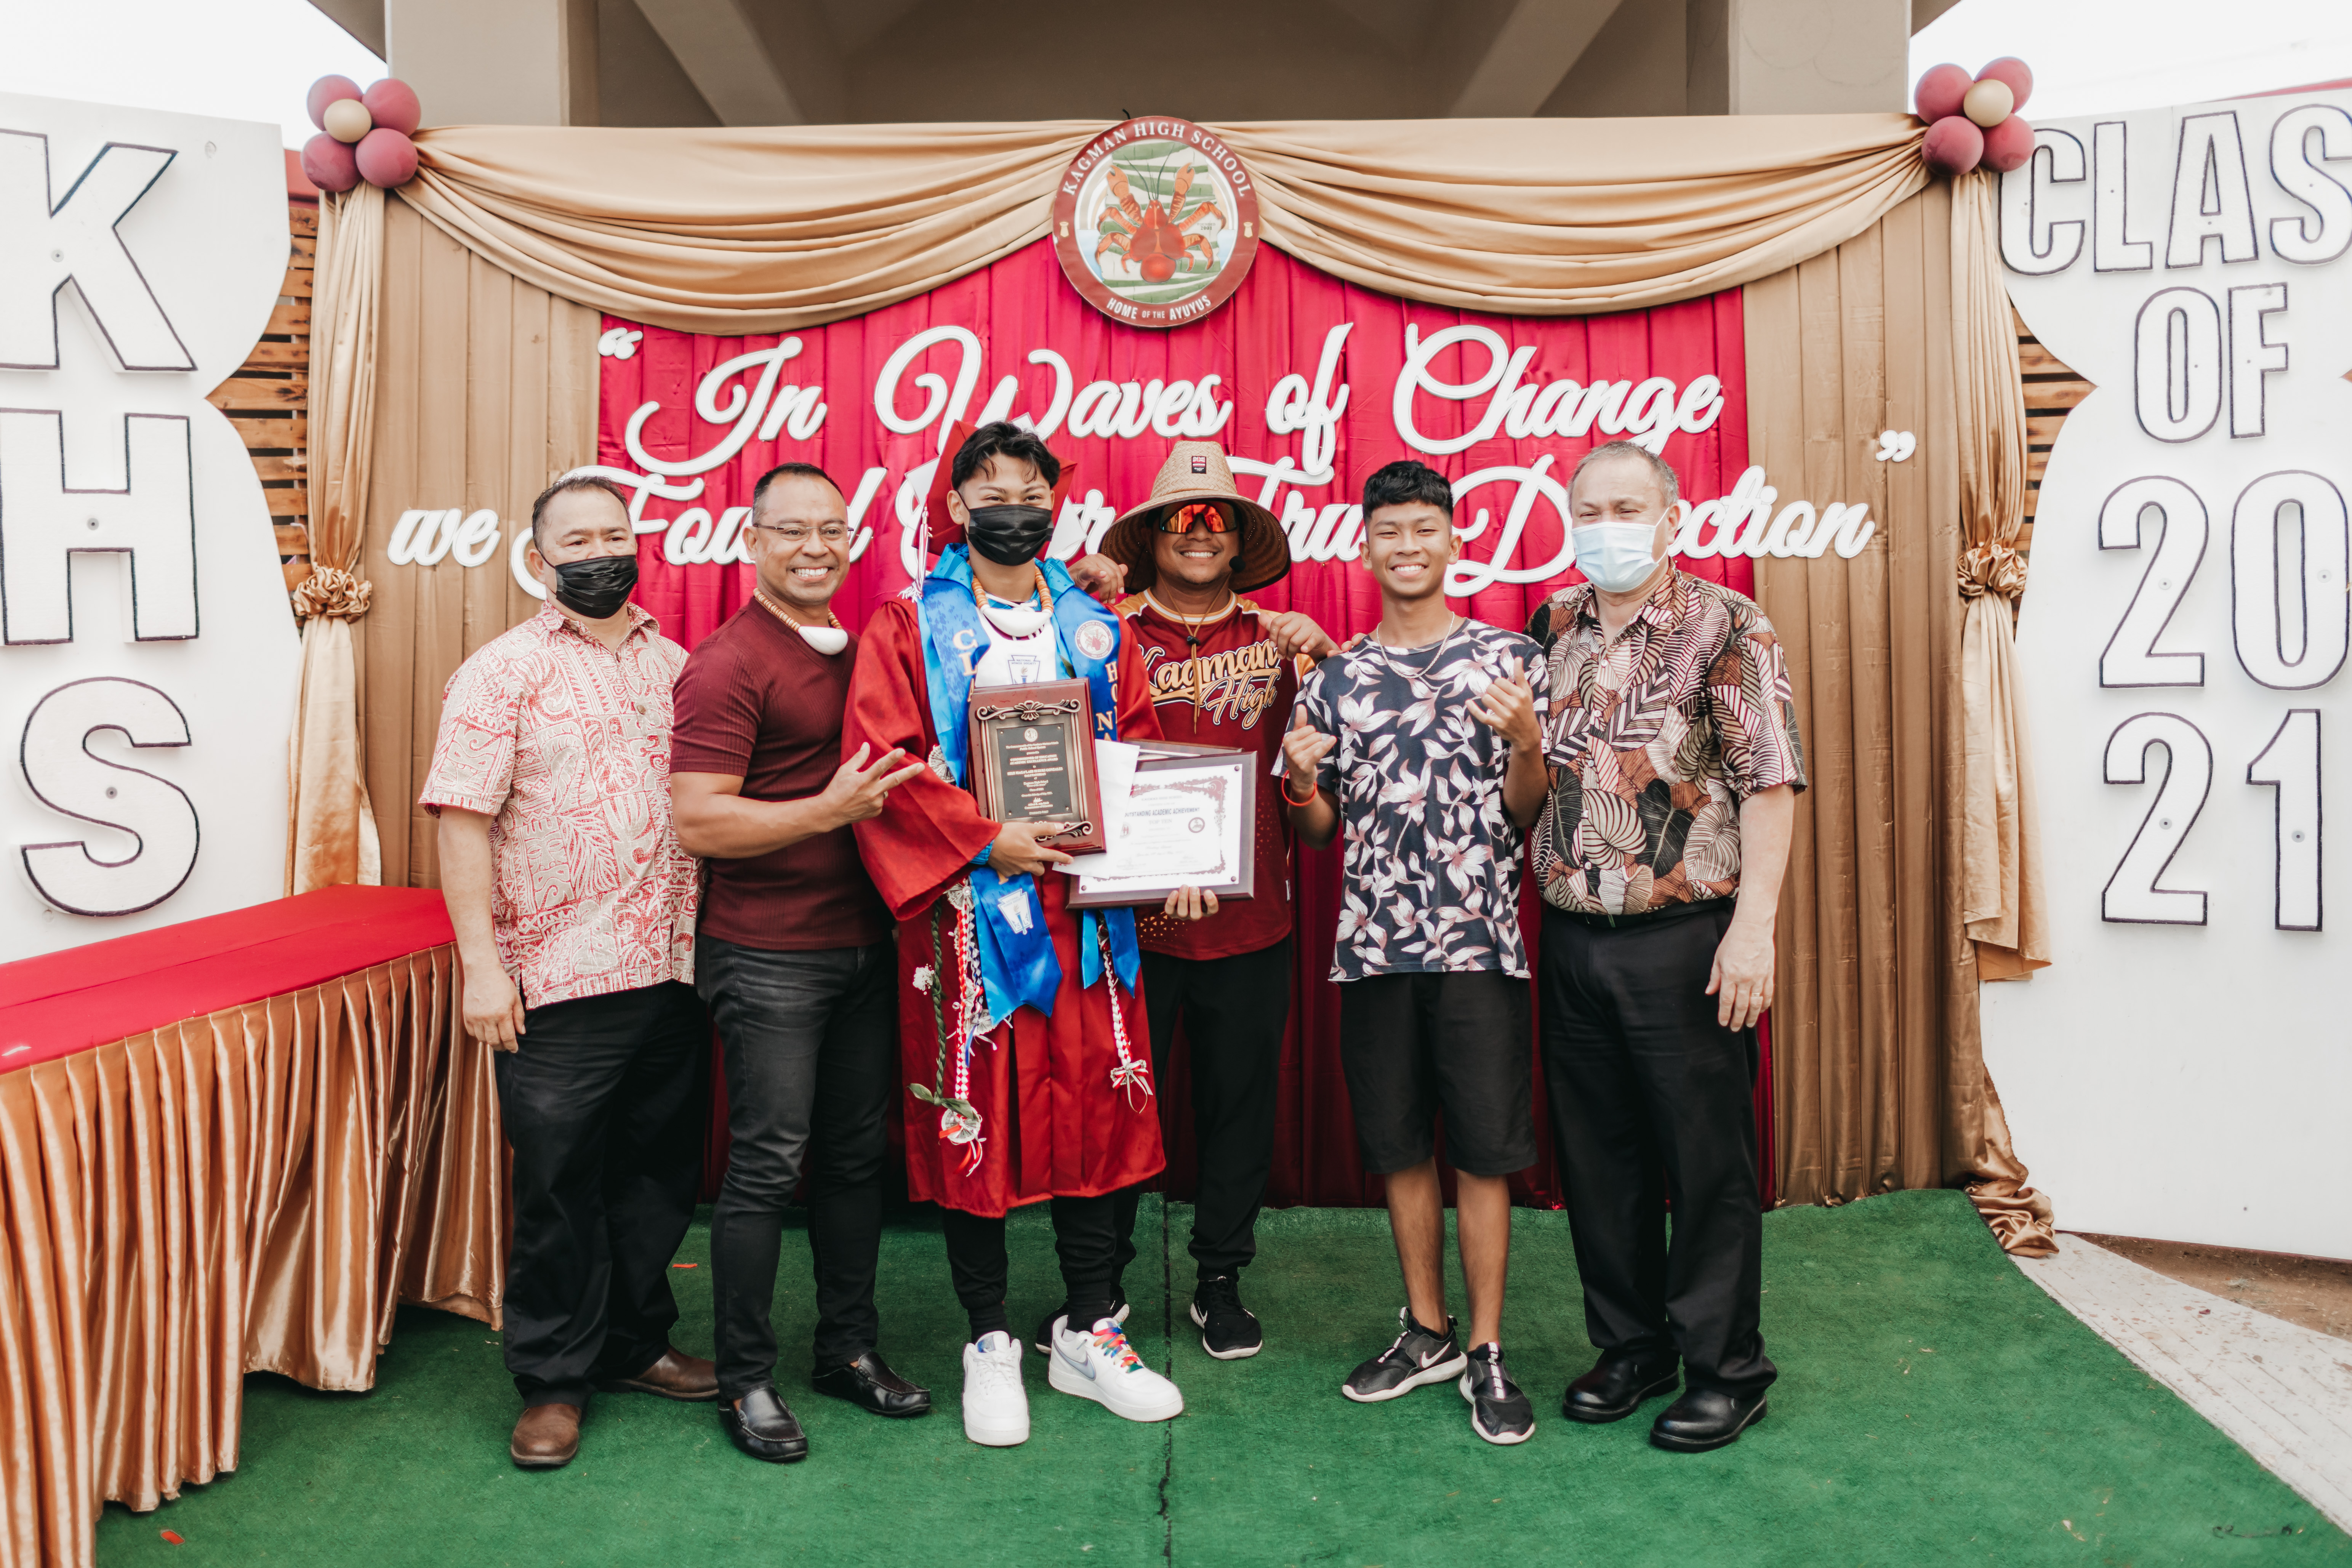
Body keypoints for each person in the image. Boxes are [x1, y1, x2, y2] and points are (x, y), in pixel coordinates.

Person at [842, 421, 1208, 1448]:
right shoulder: (907, 624)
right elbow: (880, 761)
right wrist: (980, 836)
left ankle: (1089, 1330)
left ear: (1056, 502)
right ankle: (989, 1338)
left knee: (1103, 1115)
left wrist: (1168, 858)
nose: (1012, 503)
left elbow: (1135, 753)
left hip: (1089, 922)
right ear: (955, 506)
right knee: (980, 1121)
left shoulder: (1096, 627)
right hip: (970, 919)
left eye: (1030, 487)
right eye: (988, 487)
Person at [423, 473, 714, 1471]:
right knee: (557, 1186)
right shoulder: (499, 672)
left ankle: (634, 1345)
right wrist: (481, 969)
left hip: (671, 966)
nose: (601, 552)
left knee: (657, 1176)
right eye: (578, 541)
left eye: (617, 536)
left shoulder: (676, 664)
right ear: (541, 562)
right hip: (554, 974)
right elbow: (461, 819)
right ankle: (551, 1378)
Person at [1527, 438, 1803, 1454]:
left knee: (1704, 1163)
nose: (1607, 524)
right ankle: (1630, 1346)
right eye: (1589, 508)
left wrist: (1752, 928)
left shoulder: (1726, 625)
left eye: (1627, 506)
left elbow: (1769, 782)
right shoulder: (1549, 624)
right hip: (1571, 934)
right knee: (1599, 1164)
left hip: (1684, 934)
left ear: (1671, 518)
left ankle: (1726, 1369)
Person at [1279, 459, 1549, 1446]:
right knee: (1398, 1144)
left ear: (1449, 539)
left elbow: (1525, 815)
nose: (1405, 546)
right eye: (1386, 530)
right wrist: (1299, 785)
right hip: (1373, 951)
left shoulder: (1510, 660)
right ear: (1363, 544)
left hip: (1478, 945)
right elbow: (1314, 833)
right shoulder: (1335, 680)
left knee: (1481, 1149)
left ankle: (1484, 1346)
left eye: (1421, 529)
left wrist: (1526, 741)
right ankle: (1424, 1329)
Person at [669, 462, 933, 1465]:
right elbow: (698, 817)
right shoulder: (728, 662)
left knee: (856, 1158)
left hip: (865, 944)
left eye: (832, 529)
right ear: (752, 541)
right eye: (792, 531)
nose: (816, 547)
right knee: (768, 1163)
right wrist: (826, 810)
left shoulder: (868, 647)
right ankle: (743, 1378)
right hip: (767, 954)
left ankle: (847, 1351)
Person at [1091, 440, 1335, 1361]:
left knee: (1240, 1112)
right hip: (1125, 928)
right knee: (1118, 1108)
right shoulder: (1098, 634)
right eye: (1181, 519)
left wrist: (1326, 669)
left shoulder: (1285, 646)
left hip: (1249, 924)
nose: (1199, 533)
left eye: (1217, 519)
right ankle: (1098, 1284)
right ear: (1152, 538)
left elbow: (1318, 823)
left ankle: (1220, 1281)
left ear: (1240, 541)